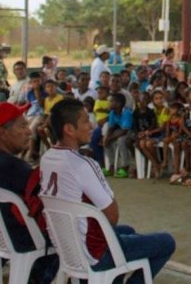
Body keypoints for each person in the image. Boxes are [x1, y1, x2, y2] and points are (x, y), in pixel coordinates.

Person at [39, 98, 175, 283]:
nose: (92, 125)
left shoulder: (47, 158)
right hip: (93, 253)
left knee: (128, 230)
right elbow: (112, 215)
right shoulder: (83, 164)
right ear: (69, 129)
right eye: (86, 121)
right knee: (166, 242)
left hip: (67, 246)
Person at [0, 101, 58, 284]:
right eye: (22, 126)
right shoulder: (13, 166)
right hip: (23, 239)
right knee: (73, 236)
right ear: (3, 132)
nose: (29, 131)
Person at [100, 93, 134, 178]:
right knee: (105, 140)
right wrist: (107, 138)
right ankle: (111, 166)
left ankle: (125, 167)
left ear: (118, 104)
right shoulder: (112, 112)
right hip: (119, 130)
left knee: (121, 140)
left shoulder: (127, 112)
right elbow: (111, 127)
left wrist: (111, 138)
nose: (109, 103)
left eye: (111, 101)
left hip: (130, 132)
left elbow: (125, 131)